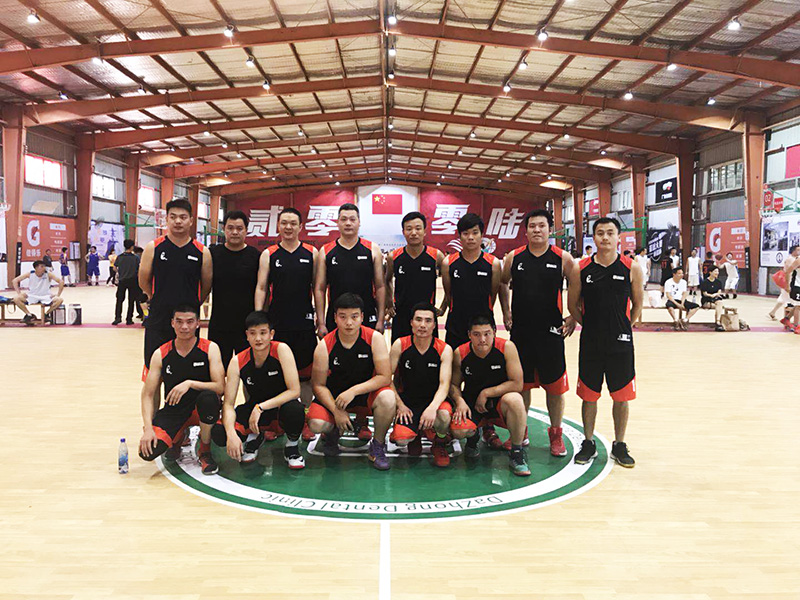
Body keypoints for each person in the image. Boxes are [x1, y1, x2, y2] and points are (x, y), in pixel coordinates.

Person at [567, 217, 644, 468]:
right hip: (591, 342)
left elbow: (637, 305)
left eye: (610, 233)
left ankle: (619, 444)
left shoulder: (631, 268)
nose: (605, 237)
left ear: (618, 237)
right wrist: (590, 325)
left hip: (621, 344)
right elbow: (572, 305)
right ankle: (588, 442)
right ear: (594, 237)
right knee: (589, 395)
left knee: (621, 396)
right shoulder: (581, 268)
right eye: (600, 233)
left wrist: (623, 327)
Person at [500, 209, 574, 456]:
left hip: (551, 333)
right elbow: (502, 282)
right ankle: (520, 433)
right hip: (521, 333)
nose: (537, 230)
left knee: (555, 389)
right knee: (522, 386)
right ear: (526, 230)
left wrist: (574, 315)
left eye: (542, 226)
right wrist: (506, 311)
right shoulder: (514, 257)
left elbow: (578, 286)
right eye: (532, 226)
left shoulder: (562, 258)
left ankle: (556, 435)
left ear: (550, 229)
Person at [307, 293, 396, 470]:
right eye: (343, 317)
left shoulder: (374, 339)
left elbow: (385, 377)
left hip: (365, 396)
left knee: (388, 398)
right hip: (336, 398)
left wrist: (353, 391)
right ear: (335, 318)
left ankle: (377, 445)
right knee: (316, 423)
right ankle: (332, 432)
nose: (349, 323)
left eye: (354, 317)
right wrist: (336, 411)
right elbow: (317, 385)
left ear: (362, 317)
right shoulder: (324, 345)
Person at [441, 212, 504, 448]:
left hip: (483, 330)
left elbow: (493, 294)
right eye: (465, 233)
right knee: (453, 374)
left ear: (481, 235)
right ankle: (455, 417)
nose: (470, 237)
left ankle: (487, 425)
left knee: (486, 375)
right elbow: (449, 293)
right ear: (460, 236)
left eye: (475, 233)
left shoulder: (492, 263)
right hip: (456, 326)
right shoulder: (449, 263)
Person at [211, 311, 305, 469]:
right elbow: (228, 404)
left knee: (295, 410)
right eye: (253, 333)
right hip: (255, 409)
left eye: (263, 333)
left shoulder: (282, 350)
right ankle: (255, 436)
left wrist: (261, 407)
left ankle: (292, 447)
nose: (258, 338)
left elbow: (295, 391)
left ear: (271, 334)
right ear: (247, 335)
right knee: (220, 433)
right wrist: (231, 434)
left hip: (280, 408)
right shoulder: (237, 361)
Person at [138, 304, 224, 475]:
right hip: (174, 411)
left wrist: (190, 383)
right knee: (147, 452)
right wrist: (148, 429)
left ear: (198, 323)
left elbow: (220, 387)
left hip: (202, 408)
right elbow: (147, 395)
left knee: (209, 400)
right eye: (179, 322)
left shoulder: (210, 348)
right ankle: (178, 437)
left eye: (190, 322)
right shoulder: (161, 353)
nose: (184, 327)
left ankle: (205, 450)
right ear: (172, 323)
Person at [255, 207, 318, 441]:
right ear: (278, 226)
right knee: (276, 375)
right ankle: (275, 420)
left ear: (300, 226)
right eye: (284, 223)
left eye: (293, 223)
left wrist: (320, 318)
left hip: (303, 324)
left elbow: (318, 288)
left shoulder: (312, 253)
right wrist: (259, 317)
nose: (288, 227)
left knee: (306, 377)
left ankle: (305, 419)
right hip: (278, 324)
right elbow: (262, 287)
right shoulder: (269, 254)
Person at [138, 198, 213, 394]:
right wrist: (157, 298)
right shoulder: (154, 247)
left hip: (188, 323)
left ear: (191, 220)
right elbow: (143, 280)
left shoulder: (202, 252)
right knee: (153, 377)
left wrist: (192, 305)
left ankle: (182, 412)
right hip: (159, 320)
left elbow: (206, 286)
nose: (178, 221)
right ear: (166, 220)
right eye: (173, 217)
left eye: (183, 217)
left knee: (185, 374)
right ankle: (154, 414)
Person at [449, 315, 530, 477]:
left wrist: (487, 393)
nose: (482, 339)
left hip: (500, 403)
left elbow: (517, 383)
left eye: (487, 334)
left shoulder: (506, 348)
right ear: (469, 335)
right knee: (459, 431)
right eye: (477, 334)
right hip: (472, 404)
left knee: (515, 400)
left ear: (494, 332)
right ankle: (474, 437)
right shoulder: (460, 353)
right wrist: (459, 401)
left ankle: (517, 453)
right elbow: (453, 385)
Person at [388, 303, 453, 467]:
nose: (423, 325)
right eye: (418, 320)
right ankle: (415, 433)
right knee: (402, 440)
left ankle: (439, 442)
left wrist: (432, 408)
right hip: (408, 403)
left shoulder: (444, 349)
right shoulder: (400, 345)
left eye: (428, 321)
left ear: (434, 325)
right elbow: (386, 379)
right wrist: (400, 405)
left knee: (444, 416)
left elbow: (444, 385)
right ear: (411, 322)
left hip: (434, 402)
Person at [314, 203, 385, 335]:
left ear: (359, 222)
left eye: (352, 219)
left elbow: (380, 286)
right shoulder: (326, 251)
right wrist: (321, 323)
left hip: (366, 314)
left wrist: (380, 319)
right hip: (337, 316)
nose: (348, 223)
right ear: (337, 222)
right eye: (344, 219)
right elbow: (320, 289)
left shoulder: (372, 249)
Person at [208, 210, 261, 365]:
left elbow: (262, 288)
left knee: (247, 369)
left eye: (239, 228)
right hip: (219, 323)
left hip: (247, 326)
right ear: (224, 229)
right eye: (230, 228)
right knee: (217, 369)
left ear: (246, 230)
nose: (235, 232)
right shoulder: (213, 254)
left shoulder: (255, 256)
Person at [385, 212, 445, 342]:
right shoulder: (393, 257)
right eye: (409, 229)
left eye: (418, 228)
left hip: (426, 316)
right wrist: (389, 303)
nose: (413, 233)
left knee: (430, 351)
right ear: (403, 232)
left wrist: (444, 305)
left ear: (424, 231)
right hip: (401, 314)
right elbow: (387, 280)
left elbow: (449, 283)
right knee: (399, 351)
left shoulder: (436, 256)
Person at [12, 260, 64, 325]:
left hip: (45, 296)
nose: (44, 268)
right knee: (16, 298)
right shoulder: (30, 274)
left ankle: (46, 314)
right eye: (41, 266)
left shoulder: (48, 274)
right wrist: (19, 293)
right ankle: (29, 314)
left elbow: (61, 281)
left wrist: (58, 294)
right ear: (36, 268)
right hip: (32, 295)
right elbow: (15, 280)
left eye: (44, 266)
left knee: (59, 300)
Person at [113, 239, 142, 326]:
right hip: (133, 281)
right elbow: (139, 269)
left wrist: (120, 272)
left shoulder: (120, 257)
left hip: (122, 281)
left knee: (119, 300)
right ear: (132, 247)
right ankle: (129, 319)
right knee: (131, 300)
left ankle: (117, 318)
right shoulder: (135, 258)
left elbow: (114, 268)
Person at [770, 246, 800, 322]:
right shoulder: (791, 259)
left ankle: (777, 314)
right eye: (798, 250)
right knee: (790, 301)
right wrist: (787, 284)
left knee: (785, 299)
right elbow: (788, 272)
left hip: (792, 281)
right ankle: (789, 320)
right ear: (793, 251)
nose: (799, 251)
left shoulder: (795, 259)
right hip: (790, 281)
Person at [700, 266, 727, 332]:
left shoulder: (718, 282)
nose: (717, 273)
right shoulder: (705, 282)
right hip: (706, 300)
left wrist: (715, 295)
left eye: (717, 271)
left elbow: (719, 292)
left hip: (716, 299)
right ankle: (718, 323)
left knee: (719, 303)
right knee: (719, 306)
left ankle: (717, 321)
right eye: (715, 271)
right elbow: (705, 293)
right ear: (710, 272)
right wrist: (711, 295)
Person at [785, 251, 800, 334]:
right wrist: (787, 285)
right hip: (797, 285)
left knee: (798, 305)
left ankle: (786, 318)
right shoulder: (798, 260)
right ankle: (796, 326)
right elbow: (787, 271)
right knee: (798, 306)